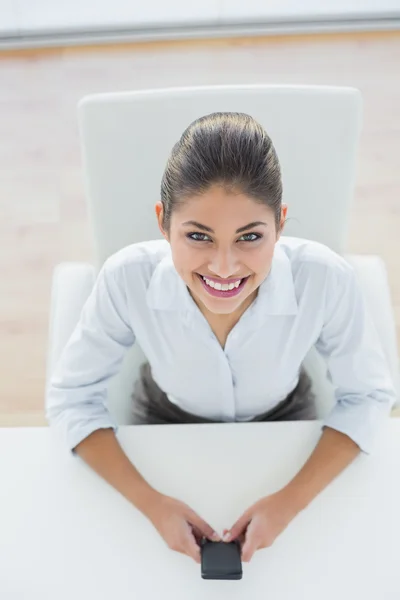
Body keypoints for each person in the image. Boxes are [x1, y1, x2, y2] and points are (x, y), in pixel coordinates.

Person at [46, 112, 396, 565]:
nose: (225, 268)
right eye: (198, 236)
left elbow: (368, 395)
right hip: (164, 418)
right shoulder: (125, 279)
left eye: (250, 236)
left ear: (281, 225)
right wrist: (152, 505)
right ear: (162, 223)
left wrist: (288, 504)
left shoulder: (324, 279)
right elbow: (72, 399)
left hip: (284, 418)